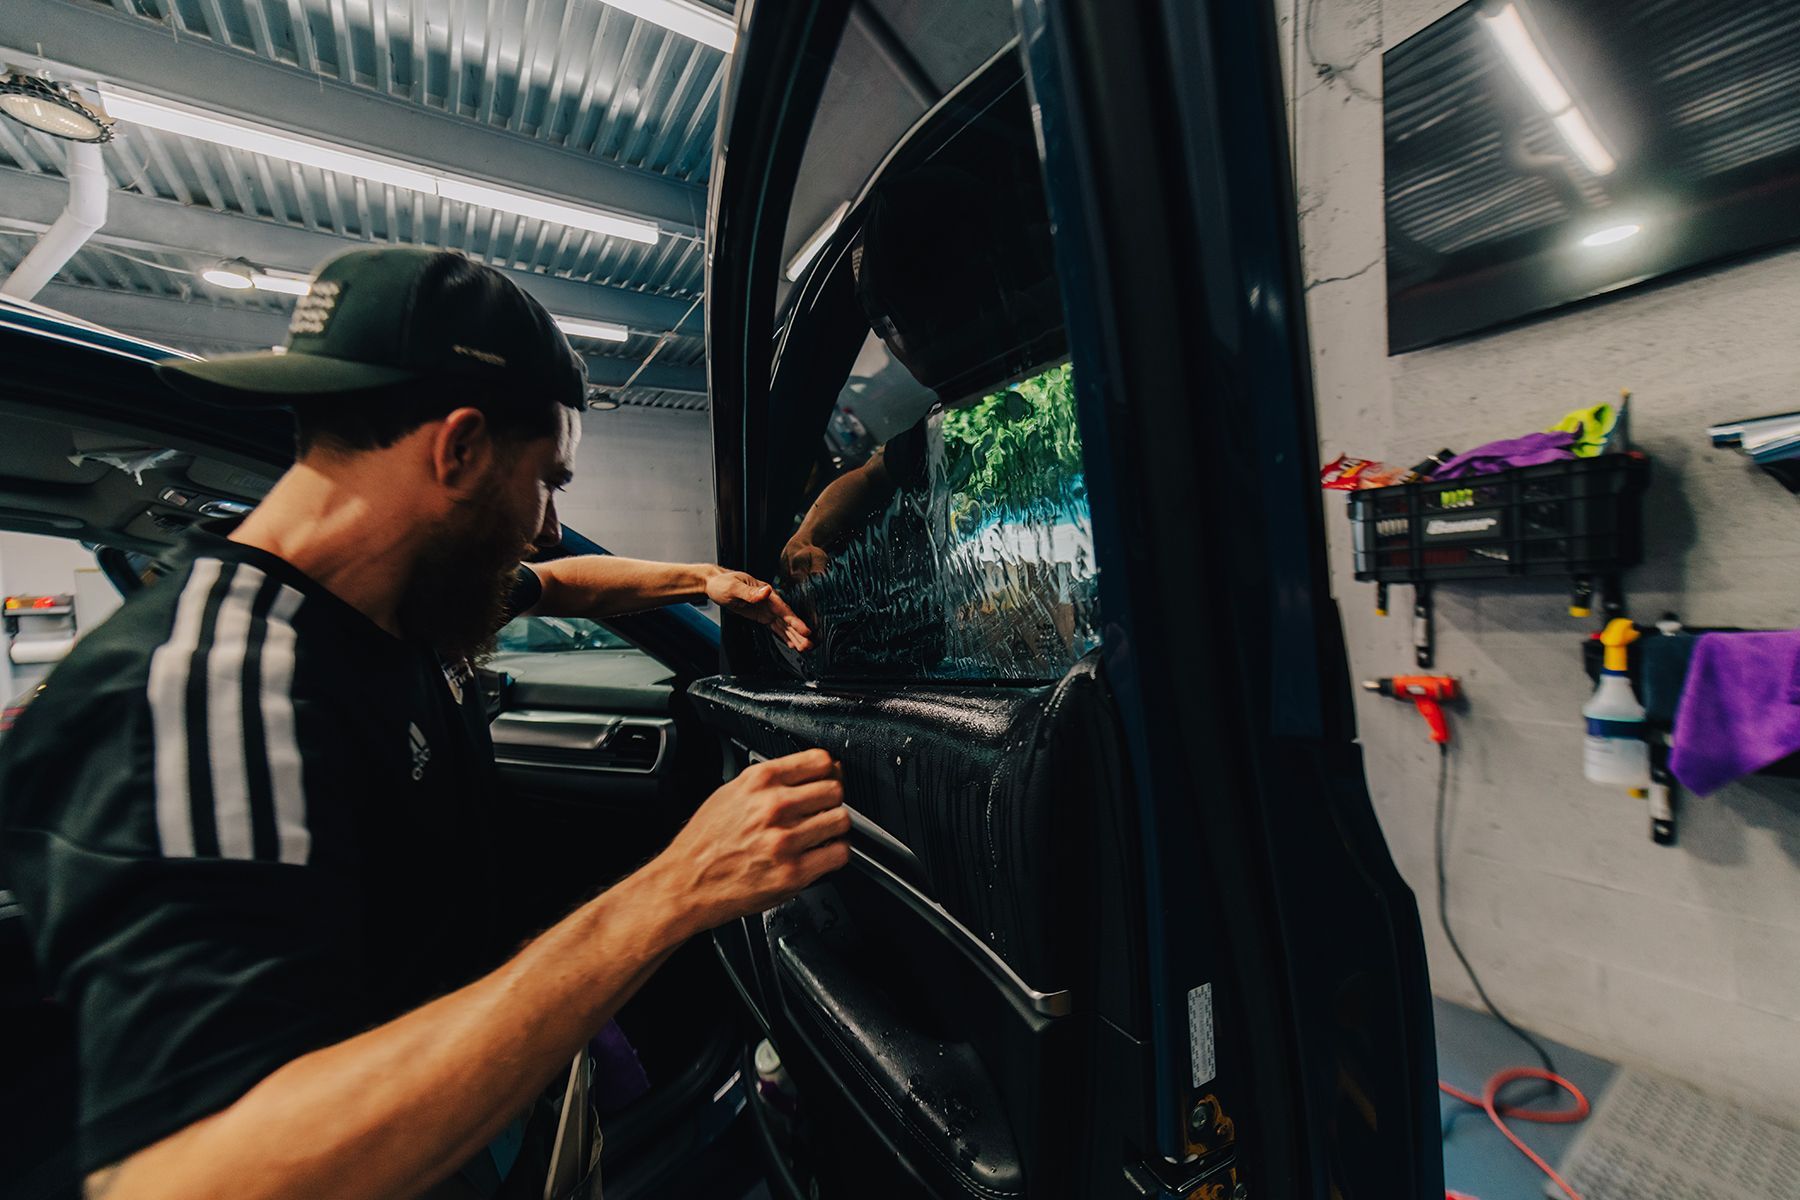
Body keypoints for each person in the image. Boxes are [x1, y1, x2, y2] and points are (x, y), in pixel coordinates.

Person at [0, 247, 850, 1200]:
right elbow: (202, 1174)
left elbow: (559, 582)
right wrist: (668, 895)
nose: (547, 526)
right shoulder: (212, 692)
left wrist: (702, 580)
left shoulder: (388, 605)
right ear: (458, 449)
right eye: (548, 482)